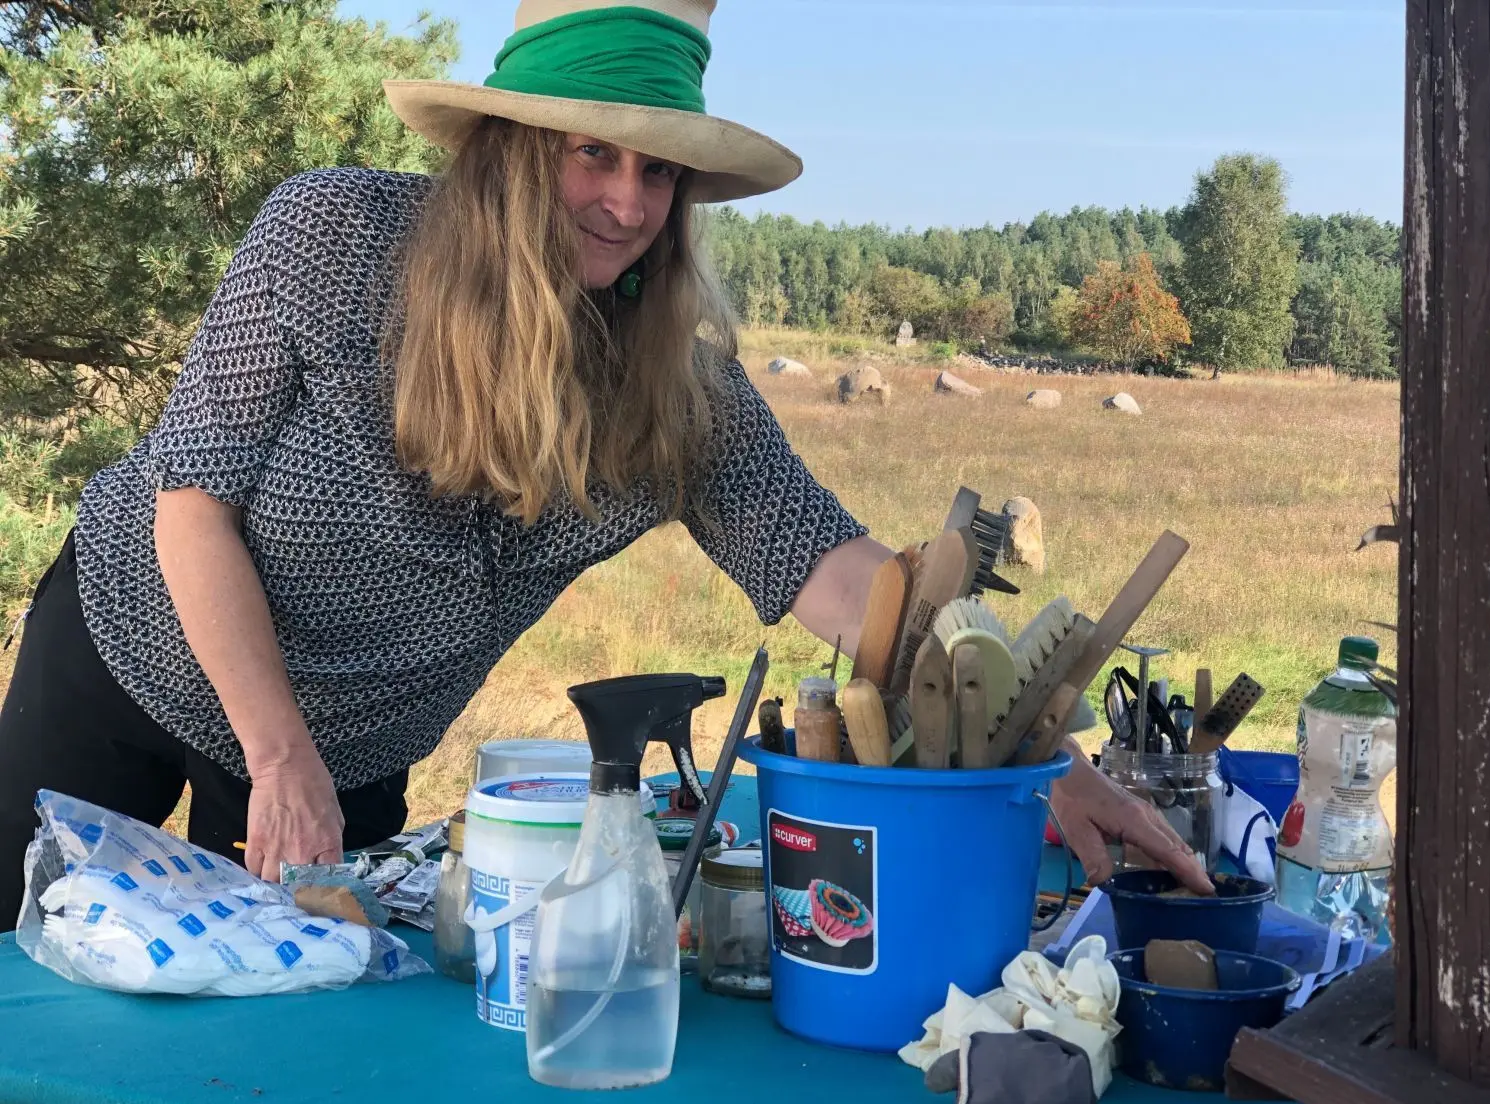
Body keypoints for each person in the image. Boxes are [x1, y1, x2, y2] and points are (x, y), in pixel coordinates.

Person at [0, 0, 1211, 923]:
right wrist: (276, 753)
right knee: (19, 969)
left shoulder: (670, 376)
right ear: (513, 151)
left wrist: (1029, 754)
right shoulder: (328, 239)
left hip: (356, 749)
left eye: (658, 168)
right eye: (593, 154)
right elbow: (190, 497)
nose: (628, 202)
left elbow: (829, 570)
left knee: (279, 1042)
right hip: (129, 658)